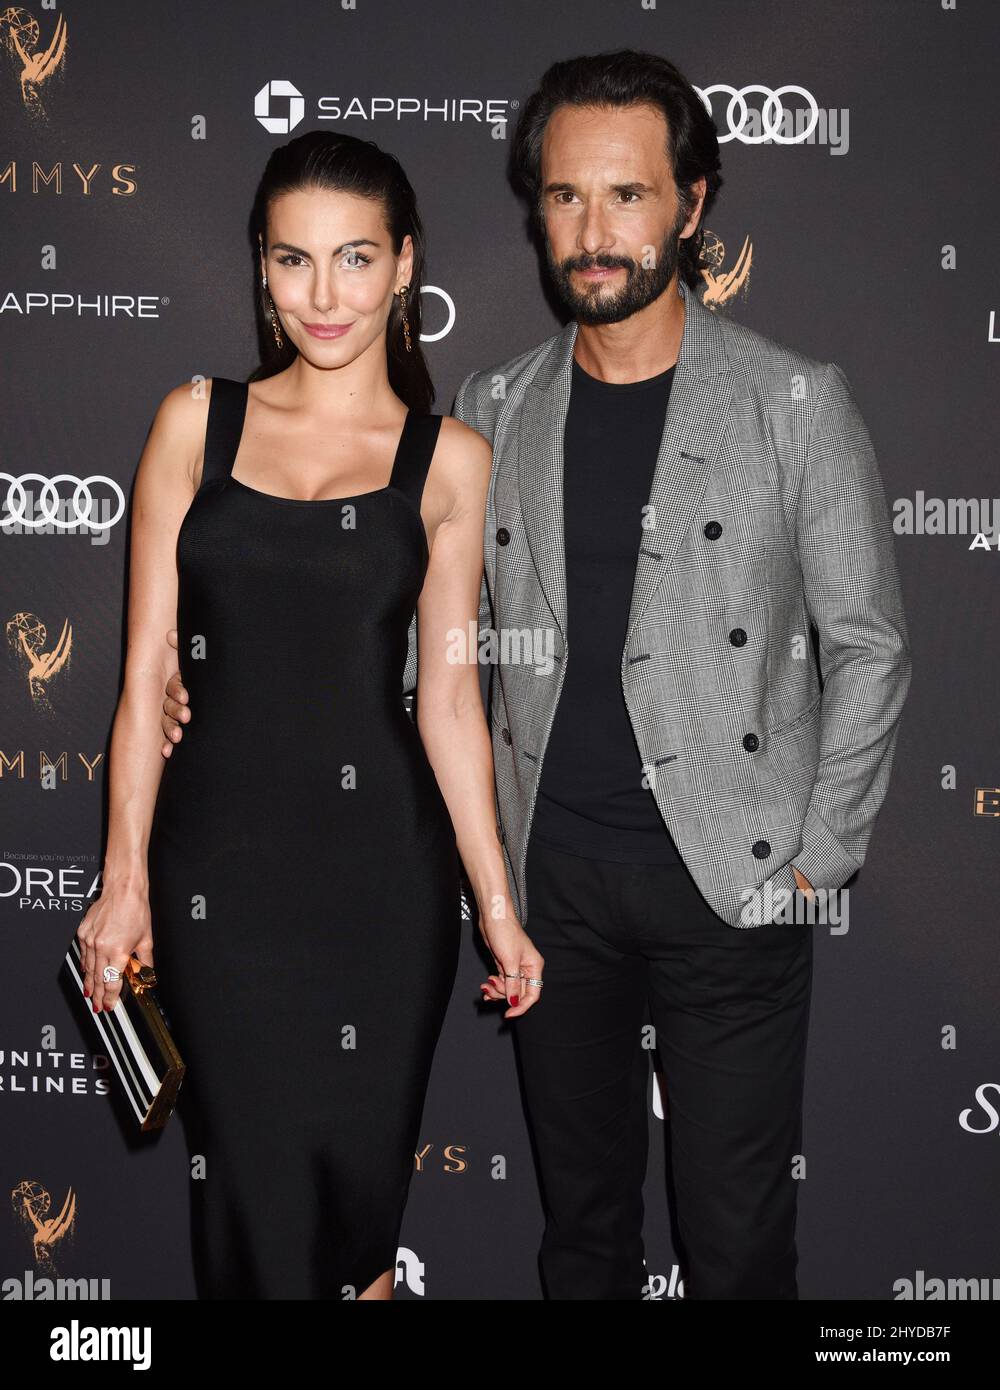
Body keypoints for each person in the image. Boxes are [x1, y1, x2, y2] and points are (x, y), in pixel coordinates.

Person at [163, 50, 912, 1300]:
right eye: (565, 197)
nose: (594, 229)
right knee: (580, 1237)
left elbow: (870, 646)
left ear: (692, 203)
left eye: (627, 195)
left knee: (733, 1250)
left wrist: (811, 861)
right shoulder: (494, 407)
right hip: (550, 890)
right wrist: (225, 686)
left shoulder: (793, 401)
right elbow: (418, 655)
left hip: (732, 882)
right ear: (535, 211)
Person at [77, 129, 542, 1302]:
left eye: (352, 259)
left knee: (356, 1236)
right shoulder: (196, 421)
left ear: (403, 267)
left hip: (379, 889)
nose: (322, 296)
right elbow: (142, 674)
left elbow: (447, 698)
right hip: (215, 882)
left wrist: (497, 905)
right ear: (261, 269)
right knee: (251, 1214)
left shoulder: (450, 459)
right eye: (292, 261)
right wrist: (123, 876)